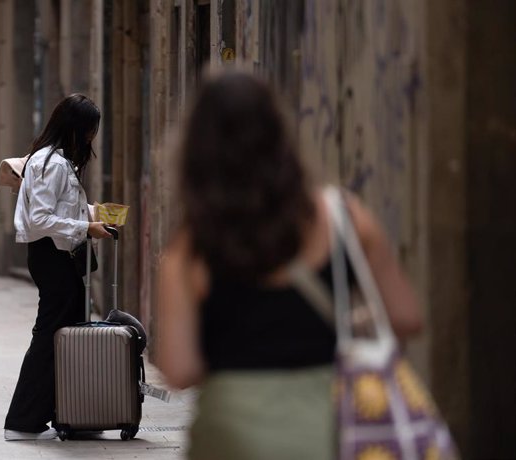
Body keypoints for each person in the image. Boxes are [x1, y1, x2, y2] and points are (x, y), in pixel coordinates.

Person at [157, 71, 423, 459]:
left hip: (229, 435)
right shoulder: (344, 219)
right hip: (329, 429)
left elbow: (179, 369)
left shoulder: (190, 249)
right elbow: (407, 317)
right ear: (281, 137)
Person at [4, 94, 112, 441]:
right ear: (76, 128)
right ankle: (22, 420)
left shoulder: (57, 161)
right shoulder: (49, 163)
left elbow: (57, 211)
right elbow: (40, 218)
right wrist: (85, 228)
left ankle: (61, 412)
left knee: (63, 333)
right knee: (49, 334)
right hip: (50, 256)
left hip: (56, 255)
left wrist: (94, 213)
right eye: (90, 130)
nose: (91, 137)